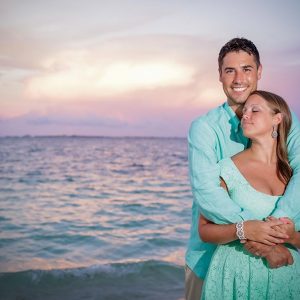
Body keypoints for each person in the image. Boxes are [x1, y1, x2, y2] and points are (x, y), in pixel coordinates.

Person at [185, 37, 300, 300]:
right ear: (220, 75)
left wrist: (274, 230)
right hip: (210, 261)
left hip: (281, 266)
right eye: (230, 70)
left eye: (246, 69)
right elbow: (207, 194)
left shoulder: (286, 124)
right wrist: (257, 233)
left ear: (259, 71)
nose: (239, 78)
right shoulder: (204, 128)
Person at [199, 90, 300, 299]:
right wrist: (242, 229)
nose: (245, 115)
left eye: (255, 110)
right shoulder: (225, 169)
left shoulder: (293, 175)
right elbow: (205, 231)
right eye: (244, 111)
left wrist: (292, 237)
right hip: (236, 275)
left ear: (277, 119)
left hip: (287, 276)